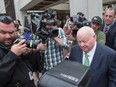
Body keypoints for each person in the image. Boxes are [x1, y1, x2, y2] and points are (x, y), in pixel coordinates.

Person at [0, 16, 46, 87]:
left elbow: (28, 65)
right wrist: (12, 55)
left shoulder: (15, 42)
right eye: (3, 32)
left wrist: (27, 53)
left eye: (11, 32)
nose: (8, 36)